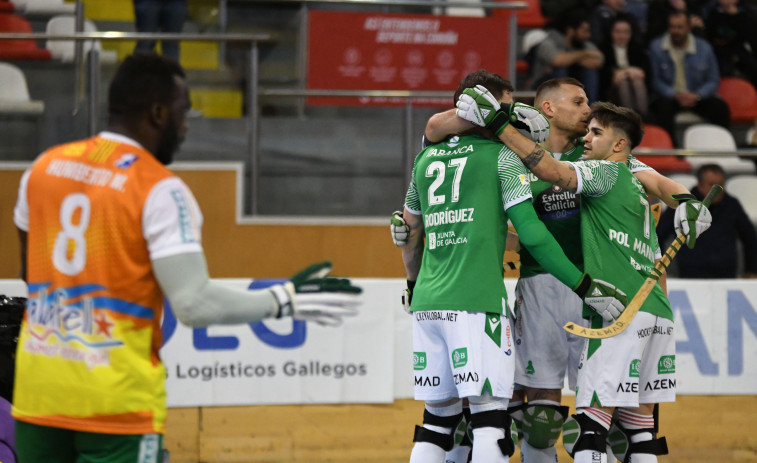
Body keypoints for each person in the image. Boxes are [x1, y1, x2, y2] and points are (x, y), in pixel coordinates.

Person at [11, 53, 362, 463]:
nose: (186, 125)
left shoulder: (44, 167)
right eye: (183, 112)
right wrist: (280, 300)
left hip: (38, 392)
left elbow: (27, 273)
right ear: (158, 114)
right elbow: (194, 304)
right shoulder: (158, 189)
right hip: (114, 402)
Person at [396, 76, 700, 463]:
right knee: (538, 424)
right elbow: (437, 129)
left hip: (598, 291)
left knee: (613, 423)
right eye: (579, 101)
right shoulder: (517, 149)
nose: (588, 110)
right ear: (549, 109)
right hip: (543, 286)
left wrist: (687, 199)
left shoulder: (596, 156)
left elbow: (654, 181)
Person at [658, 164, 757, 278]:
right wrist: (659, 268)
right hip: (691, 276)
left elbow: (750, 238)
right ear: (700, 186)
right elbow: (658, 235)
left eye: (721, 185)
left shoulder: (731, 205)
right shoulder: (682, 205)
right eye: (711, 185)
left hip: (726, 276)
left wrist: (751, 270)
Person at [648, 10, 731, 145]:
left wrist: (697, 95)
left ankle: (720, 147)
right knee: (661, 109)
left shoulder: (705, 48)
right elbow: (655, 81)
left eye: (679, 27)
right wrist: (675, 95)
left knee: (720, 108)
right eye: (672, 27)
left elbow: (713, 80)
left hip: (697, 96)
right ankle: (672, 152)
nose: (675, 31)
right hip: (670, 97)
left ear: (688, 27)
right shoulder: (657, 47)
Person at [530, 11, 605, 103]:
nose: (588, 35)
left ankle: (589, 108)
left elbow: (599, 60)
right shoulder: (549, 43)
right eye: (584, 31)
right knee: (560, 70)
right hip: (544, 86)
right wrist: (584, 55)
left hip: (576, 83)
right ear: (571, 30)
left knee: (589, 72)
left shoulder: (584, 44)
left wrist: (570, 59)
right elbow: (557, 60)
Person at [599, 17, 650, 118]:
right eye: (618, 32)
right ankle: (629, 119)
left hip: (636, 86)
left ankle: (643, 118)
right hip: (611, 91)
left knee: (637, 81)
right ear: (611, 32)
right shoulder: (603, 49)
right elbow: (604, 75)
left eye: (626, 32)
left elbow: (645, 73)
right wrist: (625, 73)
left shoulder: (638, 49)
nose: (622, 36)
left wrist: (624, 72)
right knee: (623, 83)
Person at [705, 0, 757, 90]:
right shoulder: (712, 14)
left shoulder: (744, 16)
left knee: (753, 67)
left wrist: (736, 16)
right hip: (718, 52)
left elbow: (751, 38)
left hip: (738, 51)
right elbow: (709, 39)